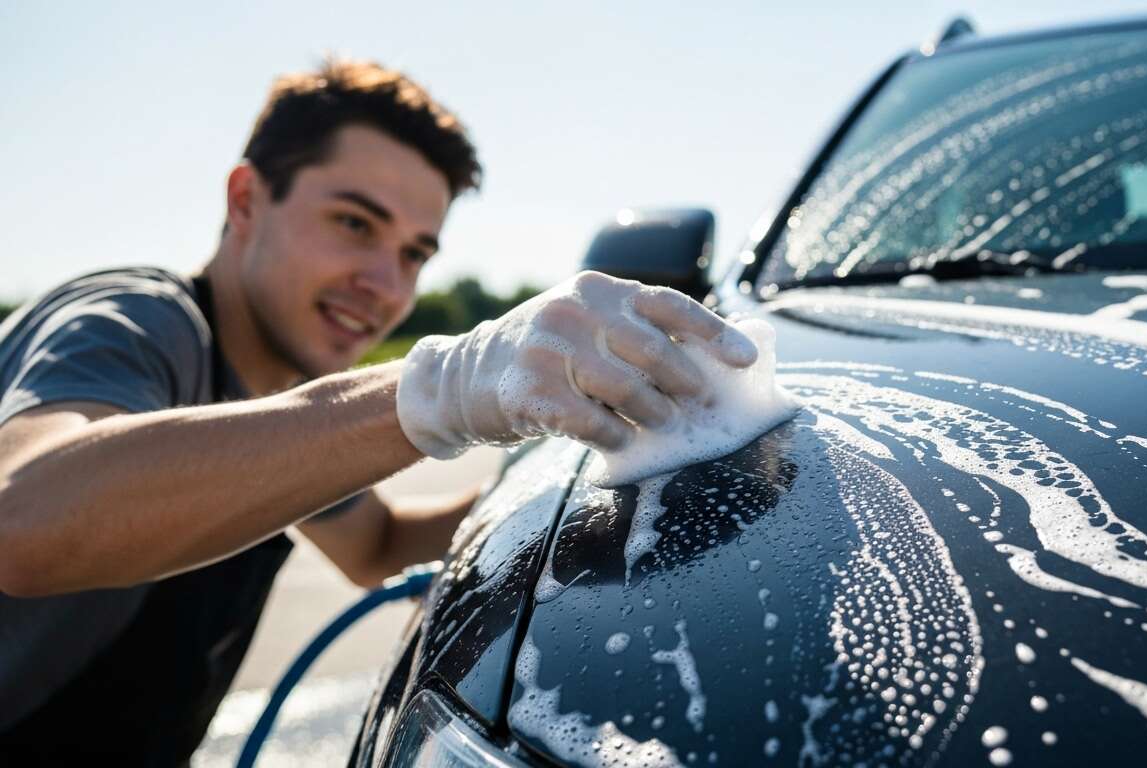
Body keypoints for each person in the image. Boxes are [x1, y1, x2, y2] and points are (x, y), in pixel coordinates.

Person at [0, 58, 757, 764]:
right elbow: (22, 520)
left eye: (414, 254)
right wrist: (444, 390)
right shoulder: (134, 321)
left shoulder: (276, 388)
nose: (382, 284)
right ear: (245, 201)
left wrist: (598, 487)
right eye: (355, 224)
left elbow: (377, 545)